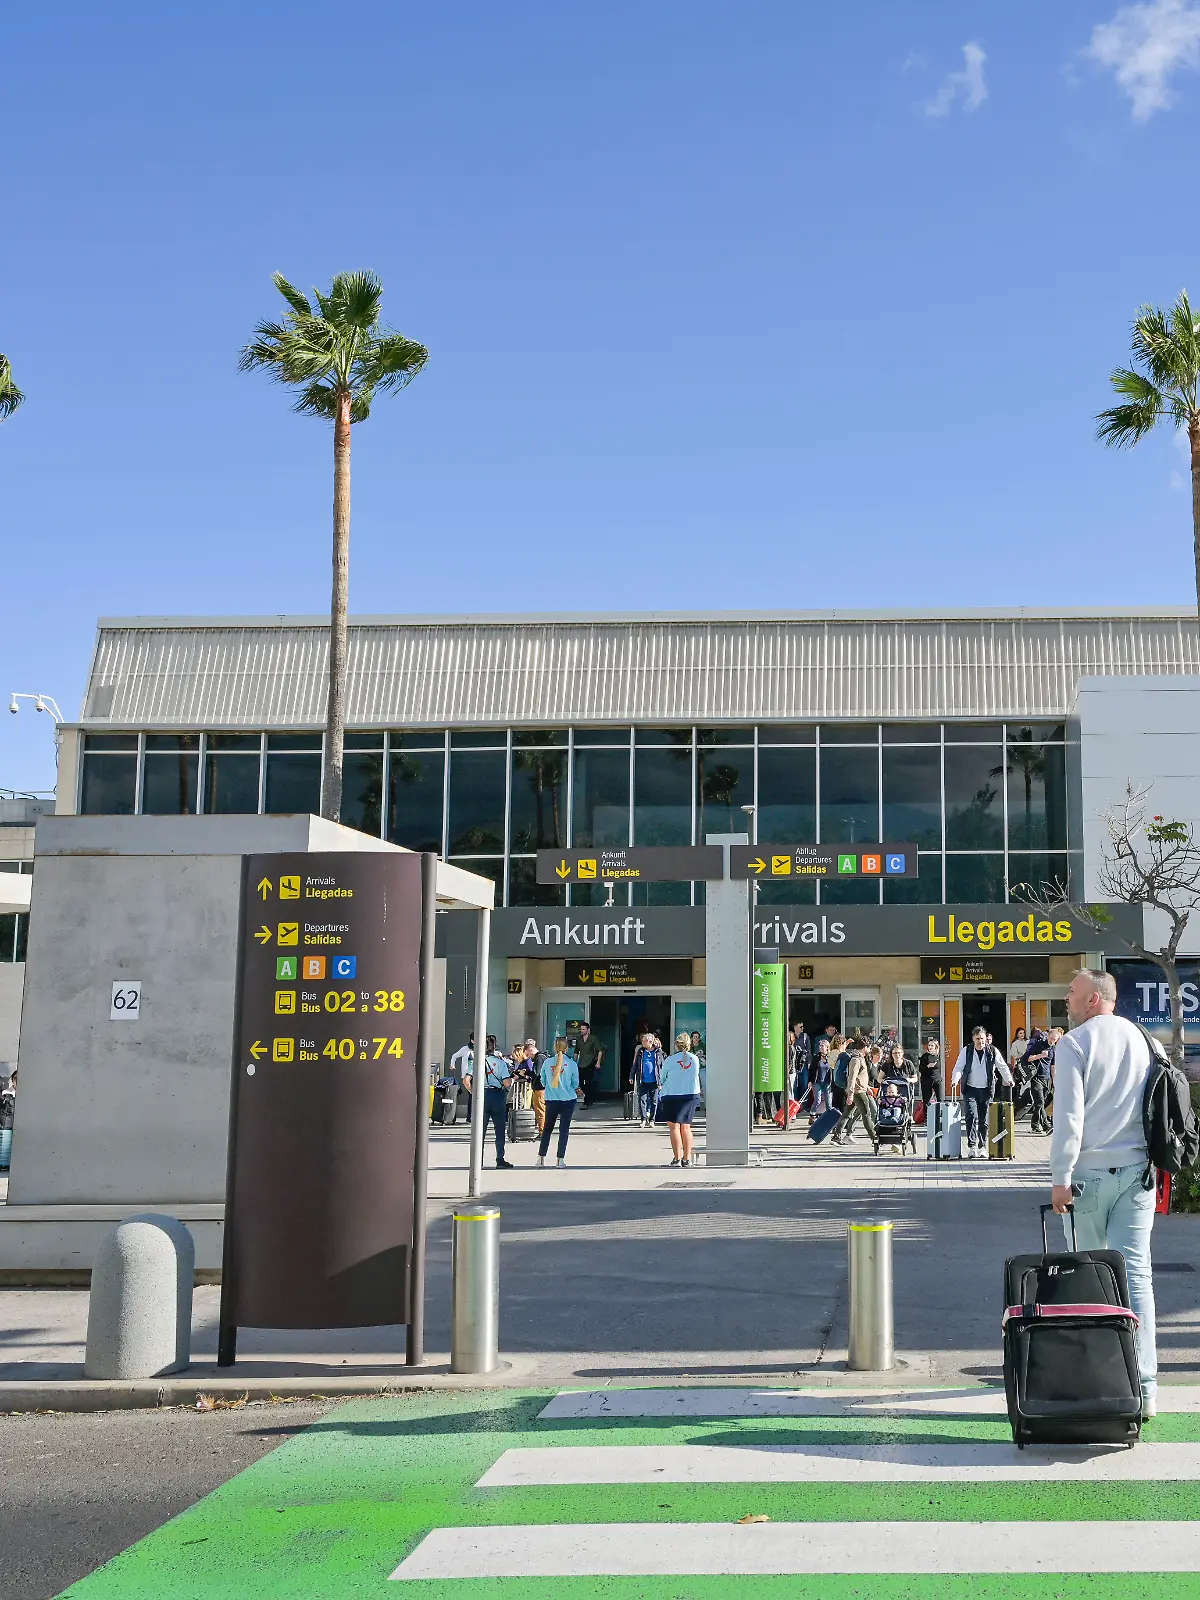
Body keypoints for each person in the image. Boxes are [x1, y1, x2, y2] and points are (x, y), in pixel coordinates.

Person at [1051, 968, 1159, 1418]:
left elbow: (1069, 1119)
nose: (1067, 1000)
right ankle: (1146, 1387)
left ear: (1095, 997)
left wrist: (1060, 1176)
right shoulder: (1144, 1040)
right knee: (1136, 1276)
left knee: (1089, 1277)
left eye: (1073, 993)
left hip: (1088, 1177)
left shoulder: (1073, 1045)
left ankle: (1095, 1380)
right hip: (1138, 1170)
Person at [951, 1025, 1007, 1157]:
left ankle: (982, 1146)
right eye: (977, 1039)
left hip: (987, 1090)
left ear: (986, 1038)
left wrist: (1009, 1079)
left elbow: (1002, 1066)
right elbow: (959, 1067)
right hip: (970, 1089)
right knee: (971, 1116)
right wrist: (955, 1080)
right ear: (973, 1038)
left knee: (984, 1119)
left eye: (982, 1038)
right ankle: (972, 1147)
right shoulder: (967, 1050)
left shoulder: (992, 1050)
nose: (980, 1041)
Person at [463, 1033, 513, 1169]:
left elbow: (466, 1080)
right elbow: (507, 1082)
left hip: (481, 1095)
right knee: (500, 1130)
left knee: (480, 1131)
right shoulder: (500, 1062)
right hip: (497, 1096)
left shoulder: (475, 1061)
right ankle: (500, 1159)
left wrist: (474, 1093)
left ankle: (478, 1160)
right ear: (494, 1047)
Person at [659, 1031, 703, 1167]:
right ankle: (687, 1159)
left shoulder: (670, 1060)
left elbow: (662, 1078)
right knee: (686, 1127)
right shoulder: (694, 1059)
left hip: (671, 1095)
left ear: (676, 1045)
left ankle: (677, 1158)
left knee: (674, 1128)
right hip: (690, 1095)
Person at [537, 1036, 579, 1168]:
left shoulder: (547, 1062)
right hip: (568, 1099)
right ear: (567, 1048)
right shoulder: (572, 1064)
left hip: (551, 1099)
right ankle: (560, 1160)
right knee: (564, 1130)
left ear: (554, 1047)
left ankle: (541, 1158)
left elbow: (542, 1081)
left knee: (547, 1129)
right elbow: (575, 1083)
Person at [831, 1050, 876, 1146]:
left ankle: (836, 1137)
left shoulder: (859, 1058)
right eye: (869, 1048)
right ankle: (874, 1137)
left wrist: (867, 1088)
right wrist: (850, 1094)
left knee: (847, 1114)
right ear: (865, 1048)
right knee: (866, 1114)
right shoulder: (856, 1060)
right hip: (858, 1092)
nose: (869, 1050)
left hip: (858, 1090)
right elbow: (852, 1077)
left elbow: (861, 1077)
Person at [1023, 1025, 1055, 1134]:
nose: (1052, 1042)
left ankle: (1034, 1125)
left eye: (1055, 1040)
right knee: (1040, 1101)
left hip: (1046, 1079)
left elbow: (1052, 1066)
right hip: (1036, 1077)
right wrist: (1040, 1055)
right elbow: (1027, 1058)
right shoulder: (1038, 1045)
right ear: (1048, 1037)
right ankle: (1046, 1125)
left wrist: (1054, 1080)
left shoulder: (1053, 1049)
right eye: (1051, 1039)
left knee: (1039, 1104)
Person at [630, 1032, 663, 1127]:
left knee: (654, 1101)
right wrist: (632, 1076)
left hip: (655, 1080)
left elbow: (662, 1065)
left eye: (644, 1041)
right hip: (643, 1080)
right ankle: (643, 1119)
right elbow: (636, 1064)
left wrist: (662, 1079)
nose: (642, 1042)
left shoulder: (658, 1052)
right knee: (642, 1100)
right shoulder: (641, 1051)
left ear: (650, 1042)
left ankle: (652, 1119)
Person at [575, 1021, 605, 1108]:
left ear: (588, 1030)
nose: (582, 1031)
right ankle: (587, 1097)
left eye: (583, 1029)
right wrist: (574, 1062)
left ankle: (587, 1101)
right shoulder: (579, 1039)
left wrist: (598, 1062)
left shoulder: (593, 1039)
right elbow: (576, 1051)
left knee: (589, 1082)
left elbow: (600, 1050)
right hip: (581, 1063)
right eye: (581, 1029)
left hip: (590, 1063)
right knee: (580, 1083)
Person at [449, 1033, 475, 1121]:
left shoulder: (482, 1049)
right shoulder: (465, 1049)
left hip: (477, 1075)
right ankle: (470, 1116)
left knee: (474, 1095)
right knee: (472, 1094)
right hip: (468, 1075)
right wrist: (452, 1065)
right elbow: (454, 1056)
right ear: (472, 1040)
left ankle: (472, 1116)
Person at [810, 1038, 833, 1120]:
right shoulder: (816, 1057)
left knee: (828, 1101)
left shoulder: (830, 1057)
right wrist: (810, 1081)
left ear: (827, 1047)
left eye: (822, 1046)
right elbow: (812, 1069)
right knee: (817, 1100)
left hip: (827, 1082)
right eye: (820, 1046)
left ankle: (828, 1118)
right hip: (817, 1082)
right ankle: (812, 1115)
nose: (821, 1047)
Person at [917, 1037, 942, 1112]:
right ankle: (926, 1118)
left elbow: (938, 1067)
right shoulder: (924, 1056)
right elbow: (920, 1069)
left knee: (940, 1099)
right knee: (926, 1100)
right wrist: (928, 1066)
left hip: (937, 1079)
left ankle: (939, 1116)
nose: (930, 1047)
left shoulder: (937, 1056)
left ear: (935, 1047)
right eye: (929, 1045)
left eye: (932, 1046)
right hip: (926, 1080)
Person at [830, 1034, 850, 1113]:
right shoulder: (841, 1055)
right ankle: (840, 1123)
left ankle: (834, 1122)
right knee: (842, 1105)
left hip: (834, 1080)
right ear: (842, 1043)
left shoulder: (832, 1052)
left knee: (836, 1103)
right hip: (841, 1080)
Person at [689, 1030, 707, 1103]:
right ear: (692, 1038)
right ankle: (697, 1105)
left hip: (702, 1068)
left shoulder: (703, 1046)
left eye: (698, 1037)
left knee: (705, 1087)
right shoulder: (689, 1047)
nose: (696, 1038)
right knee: (695, 1088)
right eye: (695, 1037)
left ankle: (707, 1105)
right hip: (693, 1070)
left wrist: (702, 1056)